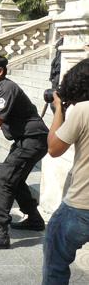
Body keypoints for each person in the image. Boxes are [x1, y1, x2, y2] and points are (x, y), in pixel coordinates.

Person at [0, 53, 49, 250]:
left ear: (0, 71)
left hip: (32, 140)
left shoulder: (6, 87)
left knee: (4, 180)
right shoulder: (0, 87)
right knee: (15, 180)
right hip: (30, 140)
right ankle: (34, 219)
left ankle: (0, 233)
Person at [43, 59, 89, 284]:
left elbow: (54, 148)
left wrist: (59, 109)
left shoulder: (83, 110)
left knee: (56, 265)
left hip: (80, 207)